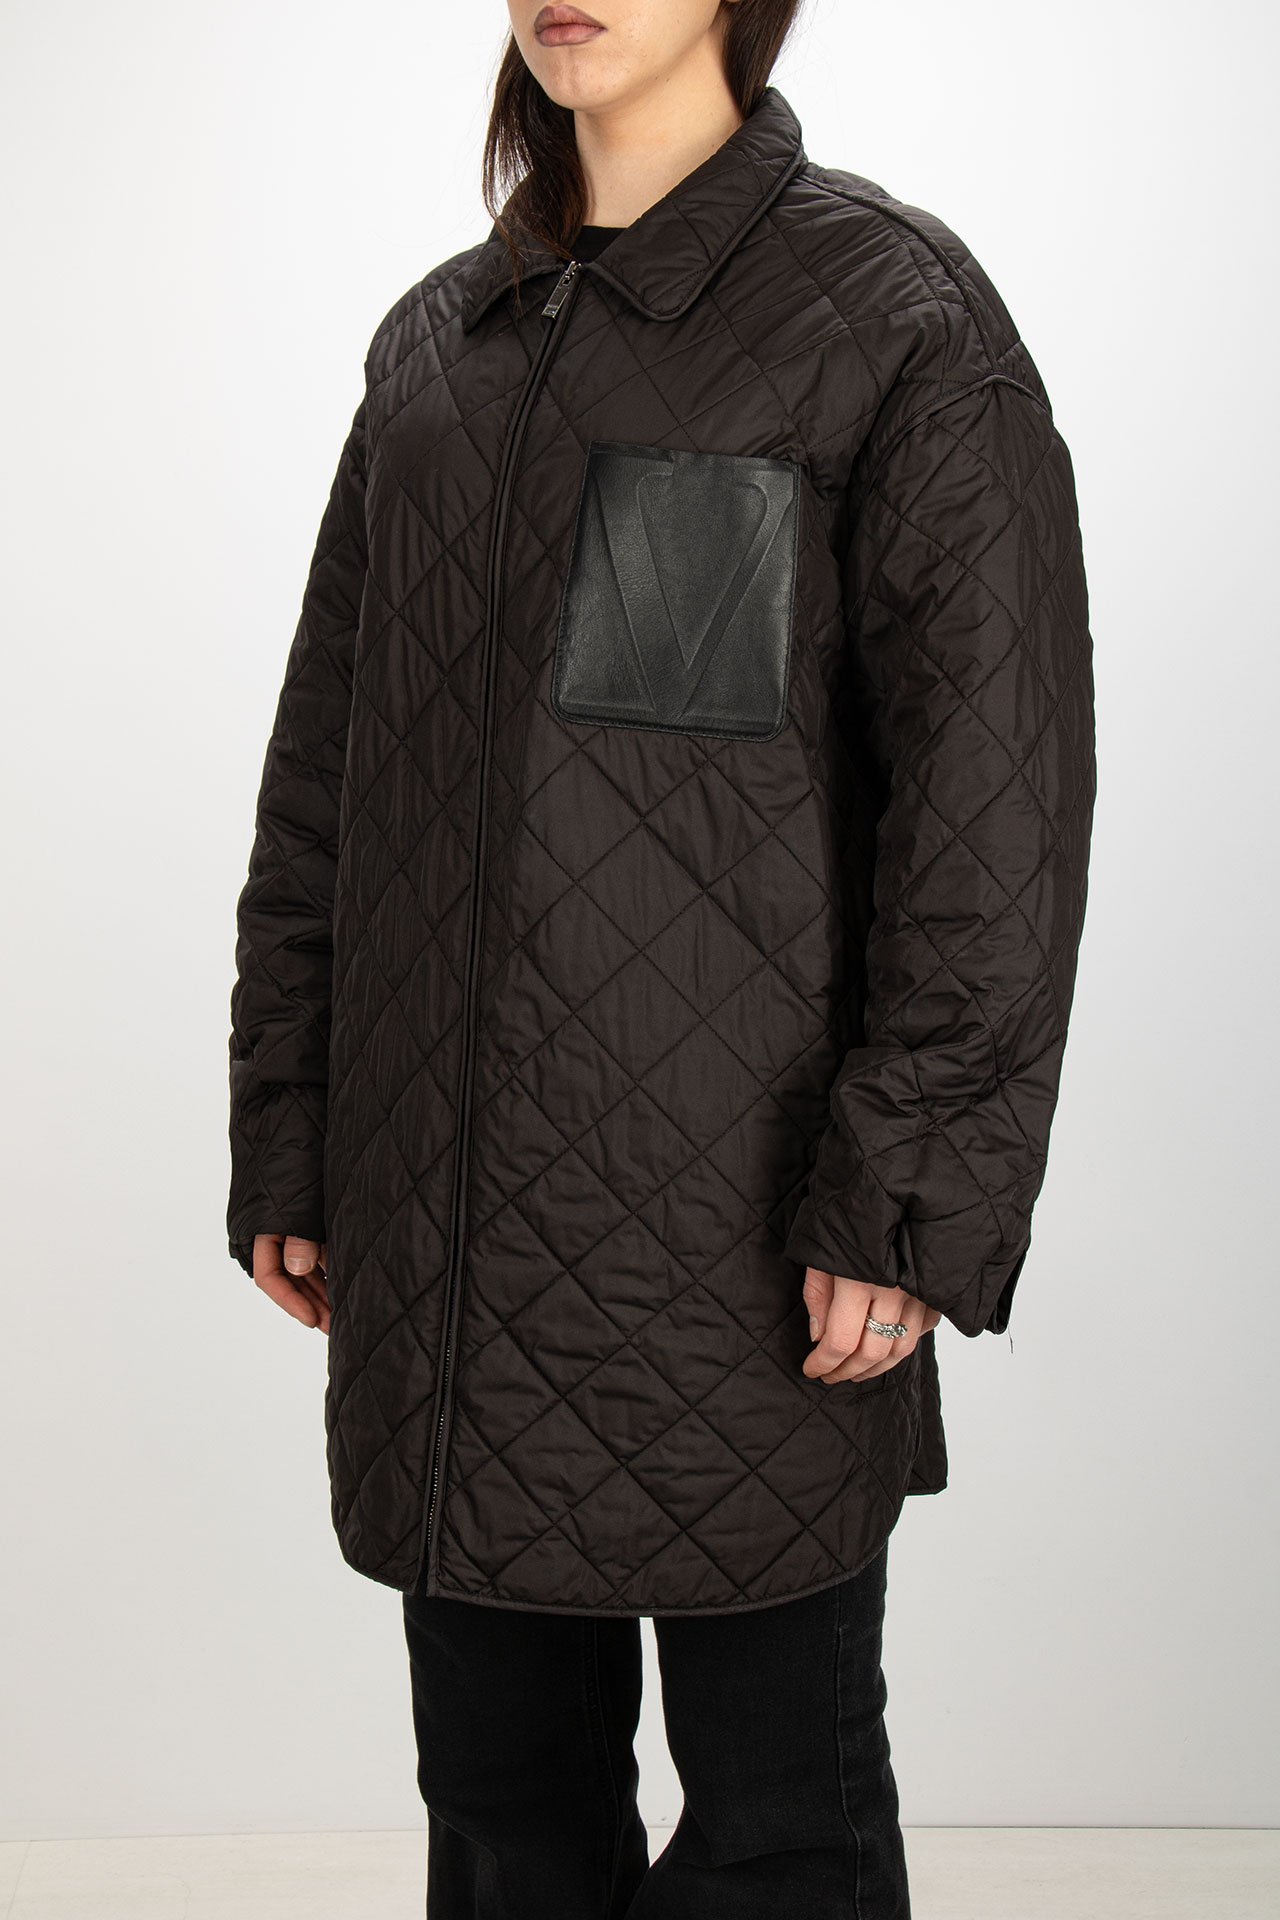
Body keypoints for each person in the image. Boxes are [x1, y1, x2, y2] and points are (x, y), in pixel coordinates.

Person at [225, 2, 1096, 1913]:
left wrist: (909, 1190)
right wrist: (294, 1128)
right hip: (447, 1244)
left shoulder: (890, 319)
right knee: (502, 1817)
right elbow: (325, 787)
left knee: (781, 1825)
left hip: (747, 1246)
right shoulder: (438, 347)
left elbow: (993, 806)